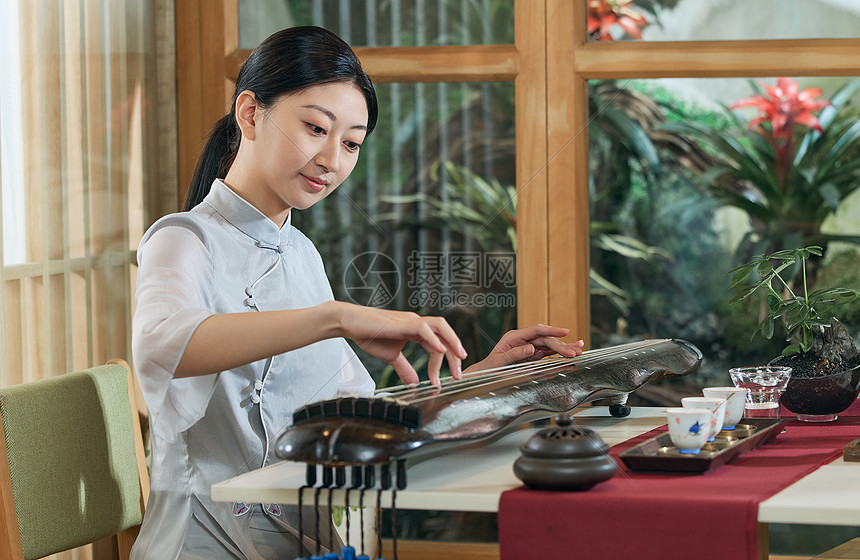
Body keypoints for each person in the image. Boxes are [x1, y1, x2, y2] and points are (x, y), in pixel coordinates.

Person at [131, 25, 584, 559]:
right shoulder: (183, 236)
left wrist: (487, 374)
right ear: (250, 113)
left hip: (300, 540)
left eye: (350, 143)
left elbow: (357, 412)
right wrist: (335, 317)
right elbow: (161, 347)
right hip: (204, 542)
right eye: (315, 128)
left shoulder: (300, 253)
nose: (331, 160)